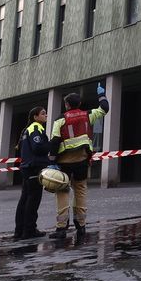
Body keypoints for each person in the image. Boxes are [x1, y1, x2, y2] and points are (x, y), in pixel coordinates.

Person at [49, 85, 109, 237]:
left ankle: (61, 228)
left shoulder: (60, 119)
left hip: (64, 162)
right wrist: (101, 95)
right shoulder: (87, 115)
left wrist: (52, 161)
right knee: (80, 190)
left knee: (63, 190)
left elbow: (55, 141)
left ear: (67, 105)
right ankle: (81, 225)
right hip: (82, 160)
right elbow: (104, 108)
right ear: (80, 104)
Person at [14, 106, 50, 239]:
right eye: (43, 113)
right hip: (34, 167)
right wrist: (51, 144)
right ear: (35, 117)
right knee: (33, 200)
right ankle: (29, 230)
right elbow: (38, 147)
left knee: (25, 199)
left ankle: (20, 230)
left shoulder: (26, 129)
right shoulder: (35, 128)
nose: (46, 115)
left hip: (27, 167)